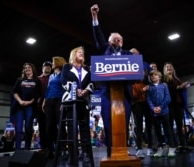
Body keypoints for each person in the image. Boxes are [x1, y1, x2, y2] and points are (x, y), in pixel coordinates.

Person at [90, 4, 134, 157]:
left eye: (119, 39)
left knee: (123, 124)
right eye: (114, 39)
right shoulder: (104, 50)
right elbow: (98, 35)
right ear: (109, 42)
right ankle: (110, 153)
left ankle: (123, 152)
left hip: (125, 95)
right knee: (108, 124)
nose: (117, 41)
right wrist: (95, 17)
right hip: (107, 94)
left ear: (122, 42)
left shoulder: (129, 55)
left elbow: (143, 69)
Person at [61, 46, 94, 163]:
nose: (82, 54)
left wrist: (86, 90)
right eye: (79, 52)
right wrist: (75, 90)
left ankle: (85, 153)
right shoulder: (66, 67)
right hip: (70, 100)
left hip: (83, 101)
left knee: (84, 127)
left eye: (83, 53)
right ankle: (73, 153)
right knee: (71, 127)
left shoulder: (87, 69)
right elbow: (63, 82)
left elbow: (91, 83)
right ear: (74, 54)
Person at [11, 62, 42, 150]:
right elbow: (14, 91)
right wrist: (20, 101)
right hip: (20, 106)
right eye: (25, 68)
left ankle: (27, 149)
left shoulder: (36, 80)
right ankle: (17, 149)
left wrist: (31, 101)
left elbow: (39, 93)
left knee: (28, 127)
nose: (27, 69)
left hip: (30, 106)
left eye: (29, 67)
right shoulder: (19, 80)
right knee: (18, 128)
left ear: (32, 69)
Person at [129, 48, 153, 158]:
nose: (133, 54)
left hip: (147, 101)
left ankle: (150, 147)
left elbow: (151, 78)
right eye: (131, 53)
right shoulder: (127, 63)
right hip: (136, 102)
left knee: (149, 125)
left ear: (139, 54)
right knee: (137, 126)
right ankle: (138, 148)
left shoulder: (145, 64)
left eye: (135, 52)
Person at [146, 70, 176, 157]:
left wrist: (161, 107)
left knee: (168, 130)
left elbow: (168, 98)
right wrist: (153, 108)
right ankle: (160, 148)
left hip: (164, 112)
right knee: (157, 131)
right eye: (152, 76)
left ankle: (171, 148)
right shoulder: (149, 87)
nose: (153, 77)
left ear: (159, 77)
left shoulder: (164, 86)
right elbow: (148, 99)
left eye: (155, 75)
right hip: (154, 113)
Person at [42, 56, 67, 159]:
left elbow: (67, 89)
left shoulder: (64, 74)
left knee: (60, 125)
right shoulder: (51, 76)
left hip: (60, 101)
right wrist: (44, 101)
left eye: (52, 62)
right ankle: (50, 149)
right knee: (49, 126)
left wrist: (64, 102)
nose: (51, 64)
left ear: (58, 63)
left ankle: (63, 150)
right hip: (49, 102)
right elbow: (48, 89)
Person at [163, 62, 190, 151]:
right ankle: (172, 144)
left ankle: (182, 144)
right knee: (170, 125)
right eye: (167, 67)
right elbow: (169, 89)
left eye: (171, 66)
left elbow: (180, 87)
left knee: (180, 125)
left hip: (179, 104)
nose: (169, 68)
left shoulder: (177, 79)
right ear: (165, 69)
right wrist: (179, 87)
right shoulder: (164, 79)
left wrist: (184, 85)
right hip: (170, 105)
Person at [37, 61, 52, 151]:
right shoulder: (37, 78)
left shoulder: (53, 78)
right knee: (41, 127)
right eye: (46, 66)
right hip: (39, 106)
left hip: (50, 105)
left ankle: (51, 147)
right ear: (42, 68)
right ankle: (43, 148)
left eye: (49, 66)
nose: (48, 67)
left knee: (50, 127)